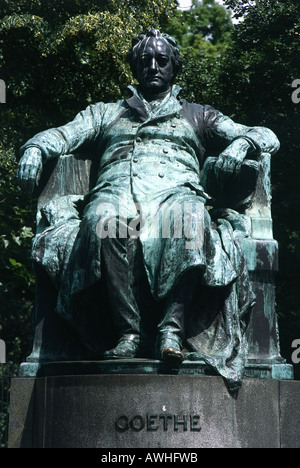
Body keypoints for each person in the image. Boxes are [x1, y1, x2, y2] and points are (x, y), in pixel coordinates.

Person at [16, 29, 280, 389]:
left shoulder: (199, 115)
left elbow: (265, 134)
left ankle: (171, 330)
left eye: (162, 60)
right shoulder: (107, 113)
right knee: (100, 223)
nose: (153, 66)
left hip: (176, 194)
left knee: (191, 219)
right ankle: (129, 332)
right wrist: (34, 148)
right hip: (117, 194)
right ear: (135, 68)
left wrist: (241, 144)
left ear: (175, 67)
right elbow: (64, 134)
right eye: (145, 61)